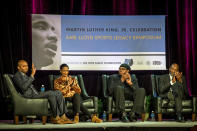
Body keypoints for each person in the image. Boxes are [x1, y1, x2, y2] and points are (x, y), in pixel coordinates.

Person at [13, 60, 74, 124]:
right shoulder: (17, 76)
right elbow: (24, 87)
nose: (26, 67)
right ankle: (55, 117)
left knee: (58, 92)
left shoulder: (23, 75)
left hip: (34, 93)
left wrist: (31, 77)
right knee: (51, 93)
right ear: (18, 68)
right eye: (23, 66)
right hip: (29, 95)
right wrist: (32, 75)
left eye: (27, 66)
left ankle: (63, 116)